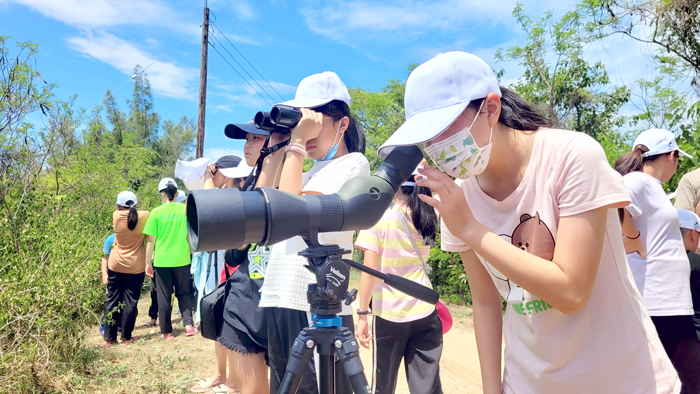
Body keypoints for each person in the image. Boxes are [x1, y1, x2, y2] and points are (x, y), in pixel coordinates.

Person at [378, 51, 679, 393]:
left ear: (490, 109)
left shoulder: (572, 156)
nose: (438, 147)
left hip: (619, 378)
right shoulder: (461, 197)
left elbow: (571, 292)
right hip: (529, 381)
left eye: (444, 130)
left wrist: (472, 230)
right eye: (427, 139)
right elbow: (486, 301)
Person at [258, 71, 370, 394]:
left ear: (342, 124)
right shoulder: (307, 172)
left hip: (319, 308)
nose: (303, 132)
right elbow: (263, 206)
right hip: (280, 295)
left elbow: (295, 213)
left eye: (312, 121)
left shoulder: (354, 167)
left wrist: (295, 148)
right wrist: (278, 149)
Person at [614, 128, 699, 388]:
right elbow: (617, 203)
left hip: (668, 301)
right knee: (689, 379)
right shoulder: (637, 181)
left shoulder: (653, 187)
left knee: (678, 381)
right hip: (656, 300)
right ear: (671, 155)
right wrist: (632, 239)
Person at [355, 171, 443, 394]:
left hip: (390, 315)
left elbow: (370, 270)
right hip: (425, 311)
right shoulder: (428, 218)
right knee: (427, 387)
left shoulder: (377, 220)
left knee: (382, 387)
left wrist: (362, 314)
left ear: (395, 186)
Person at [206, 119, 272, 394]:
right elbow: (225, 237)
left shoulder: (270, 181)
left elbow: (230, 232)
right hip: (246, 287)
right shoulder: (251, 183)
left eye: (256, 138)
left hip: (259, 292)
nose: (248, 144)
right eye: (247, 138)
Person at [143, 178, 195, 340]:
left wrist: (147, 263)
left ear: (162, 194)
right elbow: (191, 234)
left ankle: (167, 332)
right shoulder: (185, 210)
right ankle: (188, 326)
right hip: (183, 258)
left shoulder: (156, 213)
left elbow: (151, 240)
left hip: (162, 261)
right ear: (176, 193)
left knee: (164, 296)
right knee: (184, 293)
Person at [102, 191, 149, 347]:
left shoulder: (116, 216)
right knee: (130, 302)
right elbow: (140, 214)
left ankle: (109, 338)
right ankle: (126, 337)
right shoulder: (144, 216)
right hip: (136, 266)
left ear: (119, 205)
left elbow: (124, 212)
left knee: (112, 299)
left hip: (115, 264)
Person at [677, 209, 700, 342]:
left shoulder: (647, 260)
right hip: (695, 340)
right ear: (693, 233)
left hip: (661, 339)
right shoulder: (697, 263)